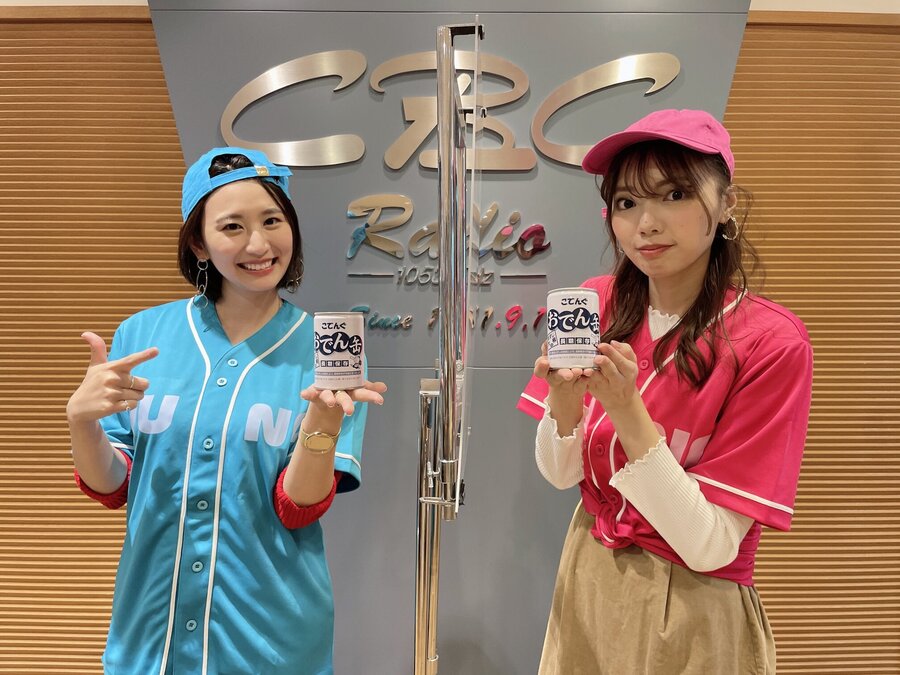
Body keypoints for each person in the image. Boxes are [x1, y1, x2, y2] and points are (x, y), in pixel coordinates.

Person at [66, 146, 387, 674]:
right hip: (151, 635)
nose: (258, 244)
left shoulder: (326, 352)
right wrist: (82, 423)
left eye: (272, 221)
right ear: (198, 241)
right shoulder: (142, 334)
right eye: (232, 226)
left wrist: (324, 423)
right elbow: (113, 487)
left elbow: (298, 507)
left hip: (268, 642)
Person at [517, 109, 813, 674]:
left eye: (675, 194)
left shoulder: (771, 342)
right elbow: (560, 474)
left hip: (695, 611)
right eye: (627, 202)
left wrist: (626, 409)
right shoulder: (596, 303)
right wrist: (564, 400)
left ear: (725, 204)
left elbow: (710, 546)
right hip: (588, 575)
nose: (646, 223)